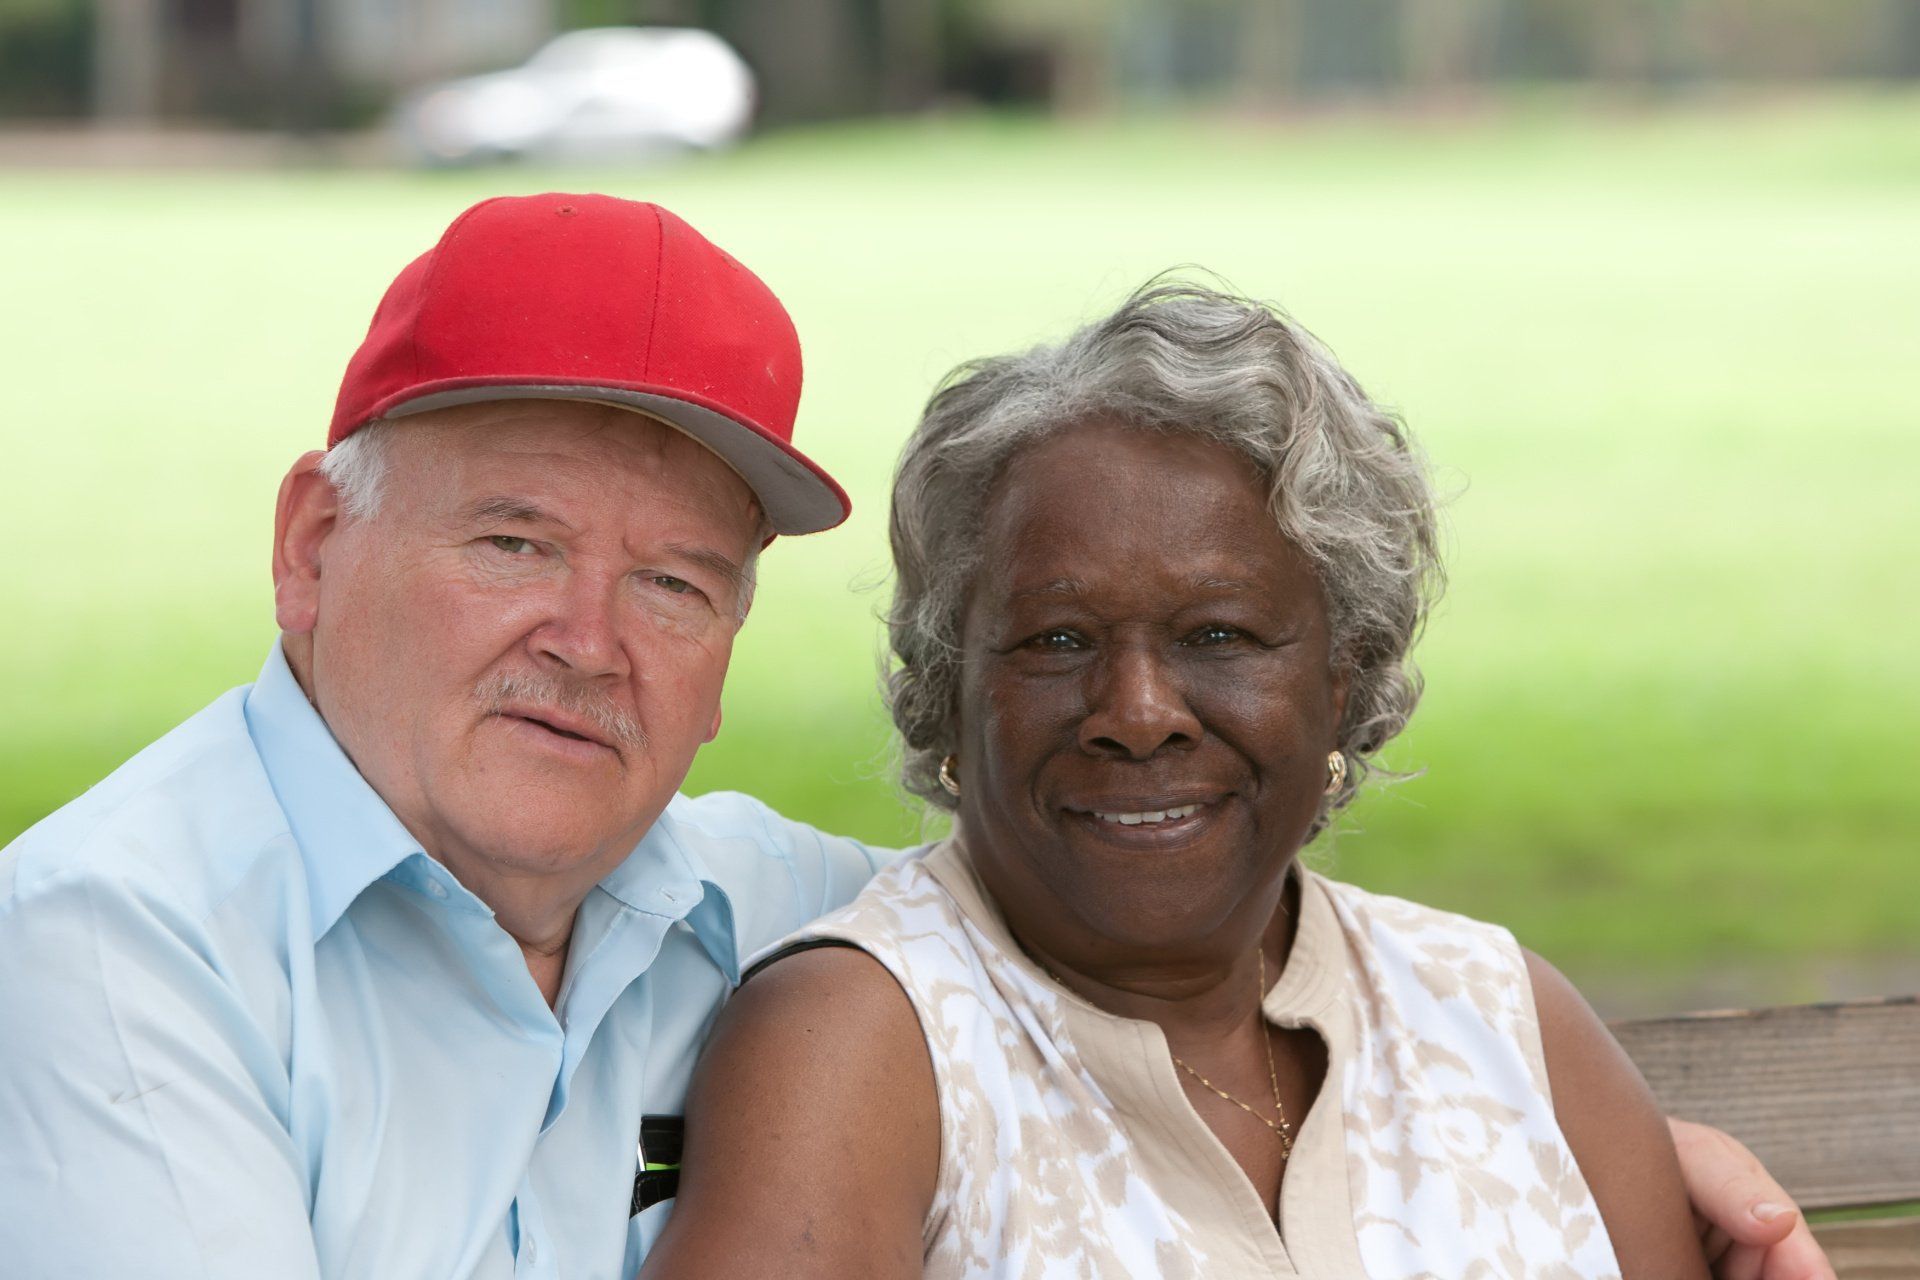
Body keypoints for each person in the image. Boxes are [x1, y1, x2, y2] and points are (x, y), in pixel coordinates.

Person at [0, 196, 1827, 1279]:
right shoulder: (113, 948)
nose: (588, 643)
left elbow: (1123, 899)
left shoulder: (718, 892)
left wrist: (1594, 1122)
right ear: (312, 546)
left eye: (677, 583)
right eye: (513, 543)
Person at [640, 281, 1827, 1279]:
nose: (1138, 712)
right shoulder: (866, 1043)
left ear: (1343, 678)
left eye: (1219, 634)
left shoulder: (1498, 1014)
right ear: (950, 688)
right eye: (1056, 639)